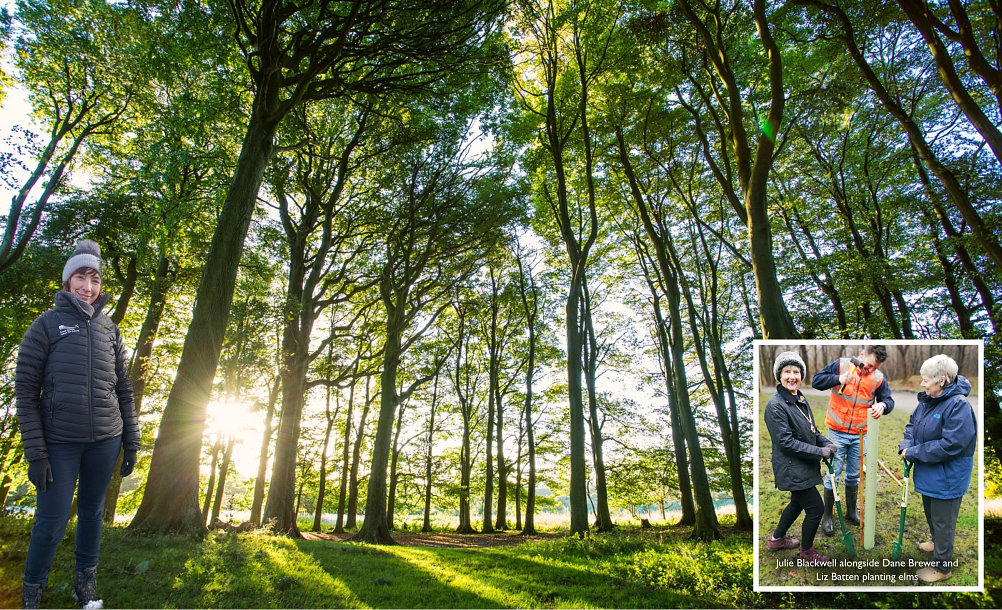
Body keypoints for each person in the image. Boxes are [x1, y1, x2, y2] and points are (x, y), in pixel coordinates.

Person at [16, 240, 140, 609]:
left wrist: (131, 441)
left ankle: (85, 584)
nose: (88, 286)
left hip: (106, 439)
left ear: (101, 286)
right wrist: (36, 453)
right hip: (59, 443)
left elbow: (124, 388)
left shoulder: (110, 330)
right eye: (81, 277)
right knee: (51, 521)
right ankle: (31, 592)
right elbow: (25, 389)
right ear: (68, 281)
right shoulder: (46, 325)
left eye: (95, 279)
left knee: (92, 514)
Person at [899, 354, 976, 584]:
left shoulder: (958, 405)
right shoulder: (927, 400)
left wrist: (913, 452)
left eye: (925, 380)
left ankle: (942, 567)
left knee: (944, 521)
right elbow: (912, 425)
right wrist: (906, 445)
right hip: (929, 473)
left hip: (947, 476)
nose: (921, 384)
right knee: (931, 514)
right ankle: (936, 542)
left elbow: (950, 445)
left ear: (941, 381)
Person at [812, 345, 894, 536]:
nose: (870, 370)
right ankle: (828, 516)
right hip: (837, 432)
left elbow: (889, 401)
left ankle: (850, 512)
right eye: (867, 366)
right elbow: (816, 381)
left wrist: (882, 405)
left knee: (854, 475)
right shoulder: (841, 365)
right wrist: (838, 379)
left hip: (861, 434)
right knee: (834, 474)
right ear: (861, 354)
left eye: (874, 367)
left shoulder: (878, 379)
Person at [764, 351, 837, 564]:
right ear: (779, 375)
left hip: (803, 464)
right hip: (791, 467)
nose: (792, 376)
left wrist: (826, 443)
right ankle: (807, 552)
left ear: (801, 375)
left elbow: (811, 431)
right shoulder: (776, 405)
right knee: (816, 508)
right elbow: (786, 443)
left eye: (796, 371)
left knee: (797, 503)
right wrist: (819, 452)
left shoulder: (799, 399)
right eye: (787, 371)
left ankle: (776, 539)